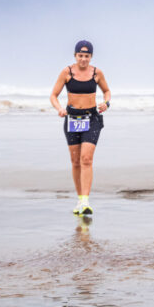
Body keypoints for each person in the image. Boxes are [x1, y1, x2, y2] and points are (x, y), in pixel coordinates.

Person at [50, 40, 111, 215]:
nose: (83, 59)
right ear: (75, 56)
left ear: (91, 57)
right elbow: (53, 95)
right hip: (71, 118)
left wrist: (106, 103)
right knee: (75, 161)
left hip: (92, 118)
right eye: (80, 56)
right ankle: (79, 200)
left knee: (86, 159)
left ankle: (85, 201)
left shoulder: (97, 73)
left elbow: (107, 91)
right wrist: (60, 108)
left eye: (87, 56)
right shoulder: (67, 72)